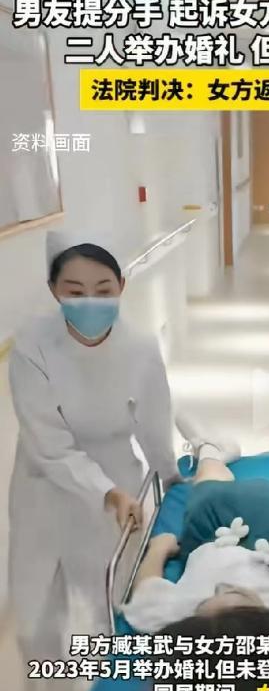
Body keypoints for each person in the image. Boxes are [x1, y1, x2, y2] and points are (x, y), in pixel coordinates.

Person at [8, 229, 180, 665]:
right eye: (75, 290)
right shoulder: (32, 346)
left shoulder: (140, 347)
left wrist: (171, 478)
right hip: (43, 484)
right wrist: (105, 491)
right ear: (54, 290)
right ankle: (46, 685)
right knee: (35, 608)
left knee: (115, 595)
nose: (91, 301)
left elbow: (155, 423)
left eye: (103, 290)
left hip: (118, 480)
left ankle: (113, 678)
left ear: (121, 285)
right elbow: (49, 443)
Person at [122, 433, 269, 638]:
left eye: (209, 598)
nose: (222, 586)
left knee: (208, 485)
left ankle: (211, 449)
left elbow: (146, 592)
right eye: (236, 594)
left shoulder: (171, 620)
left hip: (216, 531)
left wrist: (159, 549)